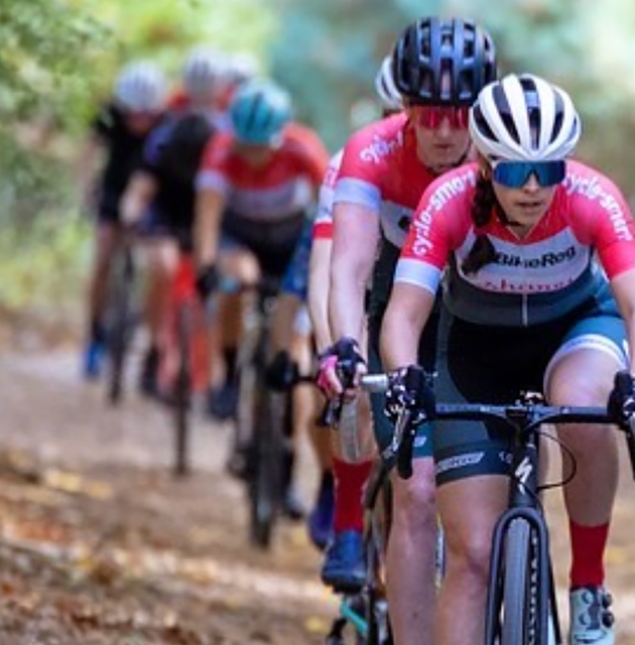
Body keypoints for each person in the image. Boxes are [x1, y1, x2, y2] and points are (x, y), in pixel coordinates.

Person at [379, 74, 635, 645]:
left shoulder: (593, 197)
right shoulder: (449, 201)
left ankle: (587, 585)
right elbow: (404, 313)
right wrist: (406, 375)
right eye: (514, 170)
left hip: (575, 331)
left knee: (583, 403)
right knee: (475, 554)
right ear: (484, 164)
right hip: (474, 352)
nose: (533, 187)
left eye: (549, 170)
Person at [318, 16, 497, 644]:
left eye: (461, 113)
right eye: (430, 111)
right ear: (405, 104)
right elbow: (348, 269)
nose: (446, 130)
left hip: (479, 317)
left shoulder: (505, 159)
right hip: (397, 311)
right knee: (418, 491)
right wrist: (345, 346)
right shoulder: (371, 152)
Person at [191, 79, 330, 513]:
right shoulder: (220, 151)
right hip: (243, 238)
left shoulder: (303, 149)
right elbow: (208, 217)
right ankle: (231, 376)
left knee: (291, 352)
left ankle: (286, 462)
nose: (253, 156)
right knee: (237, 279)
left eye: (261, 148)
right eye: (245, 147)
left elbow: (335, 208)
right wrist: (206, 267)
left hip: (290, 242)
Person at [300, 53, 408, 553]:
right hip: (361, 287)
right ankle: (347, 519)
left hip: (418, 296)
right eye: (397, 110)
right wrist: (332, 351)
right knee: (354, 391)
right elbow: (327, 267)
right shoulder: (354, 160)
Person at [118, 49, 236, 396]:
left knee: (212, 283)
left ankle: (205, 370)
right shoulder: (166, 133)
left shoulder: (229, 135)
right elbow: (143, 183)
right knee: (163, 267)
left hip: (210, 216)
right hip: (168, 212)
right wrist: (131, 212)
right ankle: (154, 348)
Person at [79, 61, 169, 378]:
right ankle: (94, 334)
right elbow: (88, 154)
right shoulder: (109, 117)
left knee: (156, 264)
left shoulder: (166, 123)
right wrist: (86, 189)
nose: (139, 121)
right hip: (113, 189)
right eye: (133, 113)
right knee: (103, 255)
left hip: (151, 195)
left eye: (146, 115)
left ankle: (144, 329)